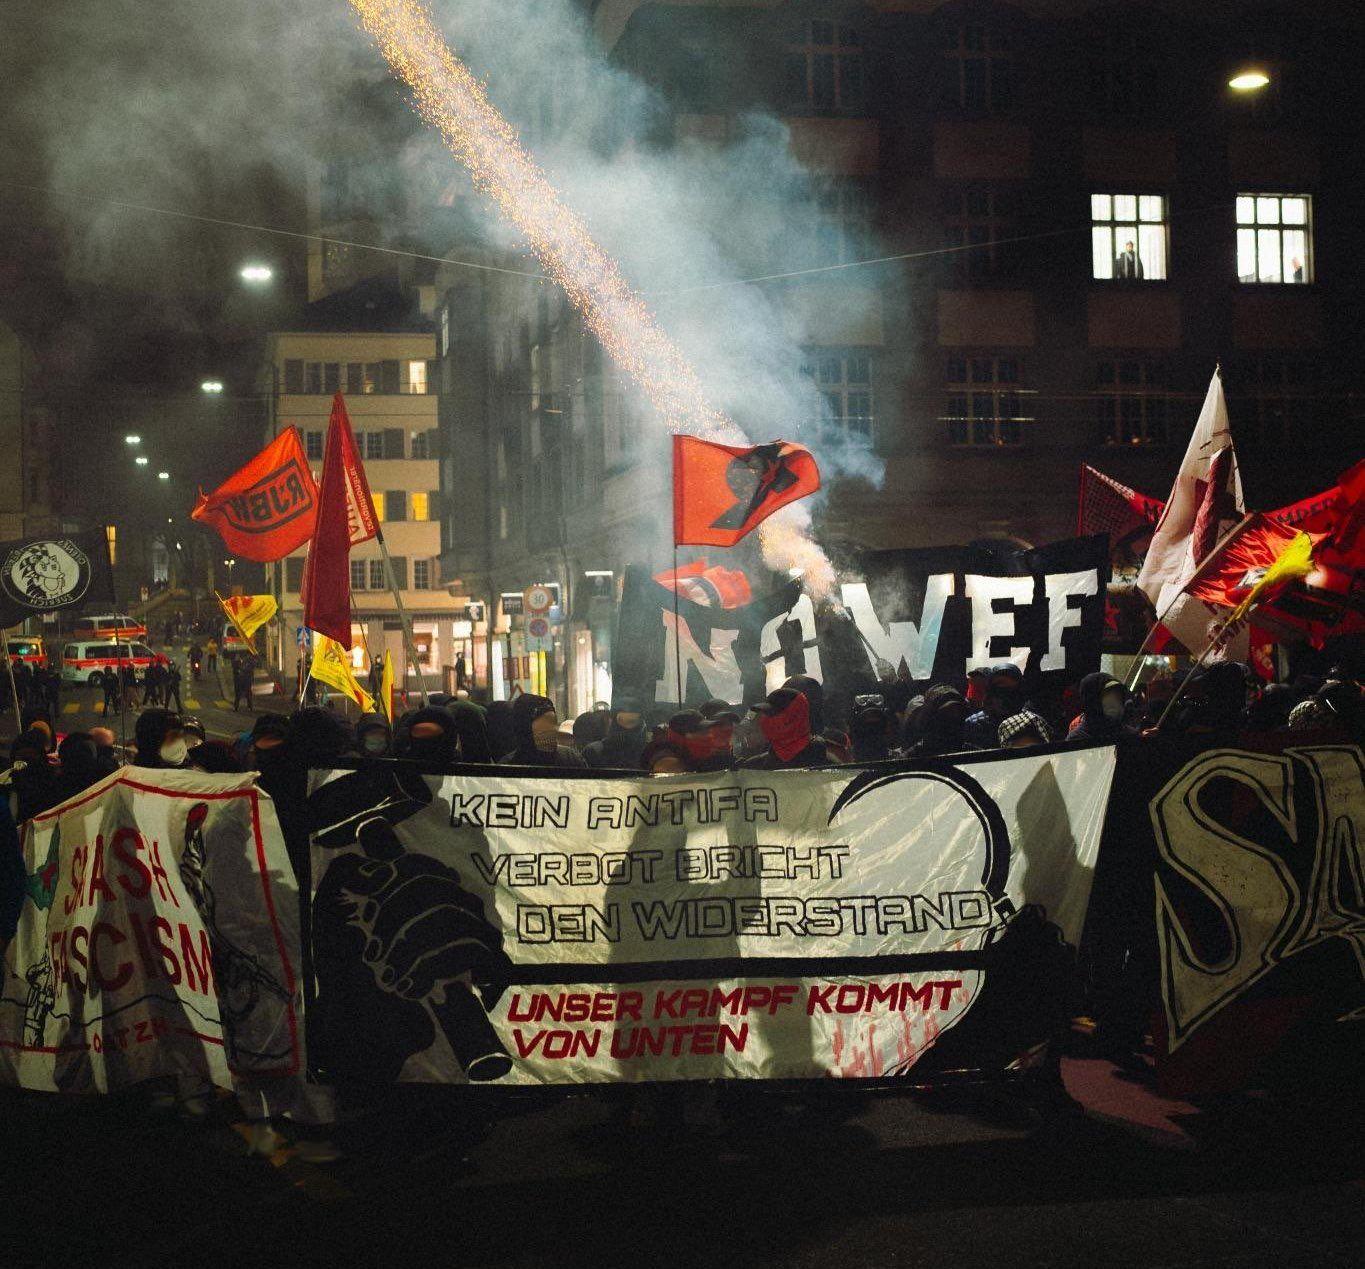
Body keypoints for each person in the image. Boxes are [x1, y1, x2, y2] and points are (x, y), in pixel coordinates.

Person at [739, 687, 828, 769]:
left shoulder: (826, 757)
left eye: (772, 714)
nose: (765, 720)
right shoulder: (755, 765)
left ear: (794, 718)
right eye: (766, 714)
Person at [499, 694, 587, 768]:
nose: (552, 733)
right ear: (525, 731)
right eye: (544, 729)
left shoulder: (570, 758)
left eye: (553, 724)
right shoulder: (508, 766)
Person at [964, 665, 1026, 749]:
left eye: (1011, 690)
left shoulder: (1030, 719)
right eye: (1001, 690)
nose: (1007, 698)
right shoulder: (976, 724)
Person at [582, 693, 649, 769]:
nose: (627, 728)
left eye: (631, 721)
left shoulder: (650, 753)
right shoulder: (593, 751)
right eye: (622, 721)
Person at [903, 684, 972, 757]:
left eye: (960, 712)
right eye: (946, 714)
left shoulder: (972, 752)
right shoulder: (912, 757)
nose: (954, 716)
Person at [1067, 673, 1136, 743]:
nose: (1116, 702)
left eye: (1118, 696)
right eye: (1108, 696)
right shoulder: (1077, 739)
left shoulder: (1130, 735)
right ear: (1093, 701)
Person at [663, 708, 738, 772]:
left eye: (706, 730)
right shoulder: (665, 755)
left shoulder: (704, 755)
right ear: (679, 738)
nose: (708, 736)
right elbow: (667, 766)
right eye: (699, 731)